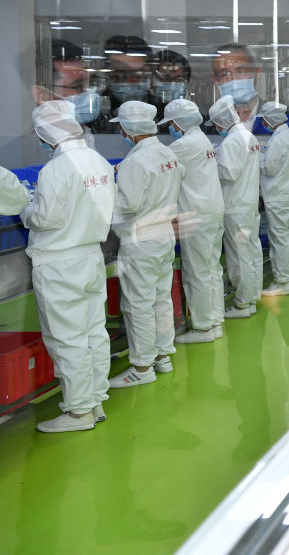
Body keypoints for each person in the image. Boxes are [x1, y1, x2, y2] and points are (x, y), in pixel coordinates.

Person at [21, 101, 115, 432]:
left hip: (59, 263)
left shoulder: (55, 169)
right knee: (94, 332)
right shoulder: (99, 161)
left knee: (67, 338)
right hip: (91, 256)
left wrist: (25, 208)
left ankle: (78, 412)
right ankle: (95, 400)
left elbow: (44, 219)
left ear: (46, 135)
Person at [107, 101, 183, 388]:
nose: (121, 134)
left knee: (138, 304)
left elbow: (128, 204)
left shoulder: (135, 161)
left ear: (129, 129)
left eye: (122, 128)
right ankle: (163, 356)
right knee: (161, 299)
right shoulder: (167, 153)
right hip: (163, 236)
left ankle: (141, 367)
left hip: (141, 240)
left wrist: (109, 191)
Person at [160, 99, 226, 344]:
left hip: (197, 215)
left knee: (197, 272)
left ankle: (203, 328)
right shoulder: (203, 140)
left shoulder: (183, 145)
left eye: (171, 124)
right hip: (212, 210)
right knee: (211, 268)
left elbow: (156, 165)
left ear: (179, 123)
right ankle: (215, 320)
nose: (170, 128)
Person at [209, 95, 263, 317]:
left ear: (221, 121)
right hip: (248, 203)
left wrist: (212, 163)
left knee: (238, 258)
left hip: (235, 205)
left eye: (215, 124)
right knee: (251, 253)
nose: (216, 128)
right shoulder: (248, 136)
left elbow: (228, 173)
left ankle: (242, 304)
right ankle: (251, 298)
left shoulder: (231, 141)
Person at [259, 102, 289, 296]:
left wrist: (258, 157)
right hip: (288, 194)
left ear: (270, 119)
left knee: (279, 239)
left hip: (277, 195)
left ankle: (282, 281)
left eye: (264, 120)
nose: (263, 123)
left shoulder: (278, 140)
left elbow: (269, 168)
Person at [212, 43, 264, 133]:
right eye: (225, 74)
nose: (234, 80)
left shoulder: (277, 117)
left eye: (240, 71)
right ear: (216, 80)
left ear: (257, 73)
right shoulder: (212, 123)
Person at [103, 35, 152, 115]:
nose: (128, 83)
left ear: (148, 70)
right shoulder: (96, 107)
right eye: (119, 74)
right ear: (107, 72)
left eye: (136, 74)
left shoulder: (162, 106)